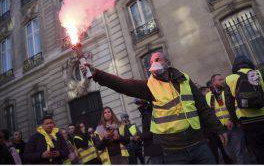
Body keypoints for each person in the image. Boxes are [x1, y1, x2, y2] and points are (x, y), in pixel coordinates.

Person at [80, 51, 227, 164]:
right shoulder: (149, 86)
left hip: (198, 144)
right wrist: (97, 74)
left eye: (157, 59)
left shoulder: (184, 79)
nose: (153, 63)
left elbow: (203, 107)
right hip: (173, 151)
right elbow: (123, 85)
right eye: (151, 62)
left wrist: (218, 129)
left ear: (166, 62)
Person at [224, 55, 264, 164]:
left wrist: (236, 120)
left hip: (247, 122)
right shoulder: (261, 74)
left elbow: (229, 104)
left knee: (259, 152)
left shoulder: (229, 79)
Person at [206, 74, 249, 164]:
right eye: (220, 79)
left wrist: (232, 120)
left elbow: (235, 106)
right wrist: (216, 128)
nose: (223, 81)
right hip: (221, 129)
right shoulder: (208, 96)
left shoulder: (227, 90)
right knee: (229, 152)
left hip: (233, 126)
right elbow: (209, 113)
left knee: (239, 151)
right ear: (213, 82)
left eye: (223, 79)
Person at [134, 98, 164, 164]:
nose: (137, 107)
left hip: (154, 148)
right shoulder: (145, 114)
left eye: (138, 104)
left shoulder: (148, 114)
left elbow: (153, 131)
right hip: (152, 148)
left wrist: (140, 136)